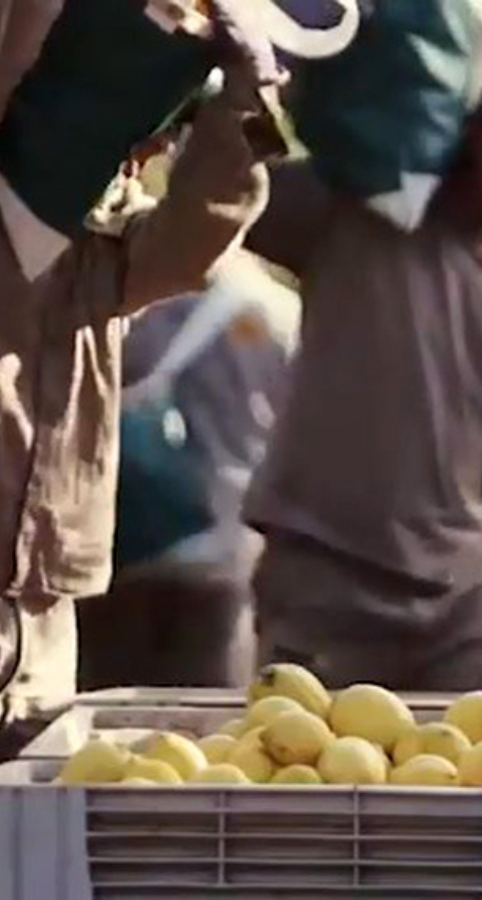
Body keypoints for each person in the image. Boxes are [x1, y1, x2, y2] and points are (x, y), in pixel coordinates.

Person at [0, 1, 279, 892]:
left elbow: (189, 245)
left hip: (41, 618)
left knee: (31, 874)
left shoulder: (85, 224)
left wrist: (241, 109)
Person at [243, 2, 482, 694]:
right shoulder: (356, 215)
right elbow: (232, 198)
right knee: (309, 784)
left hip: (462, 591)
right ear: (474, 131)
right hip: (326, 574)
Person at [78, 253, 298, 690]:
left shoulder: (138, 293)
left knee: (105, 727)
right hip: (226, 556)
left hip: (119, 553)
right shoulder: (280, 311)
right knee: (204, 734)